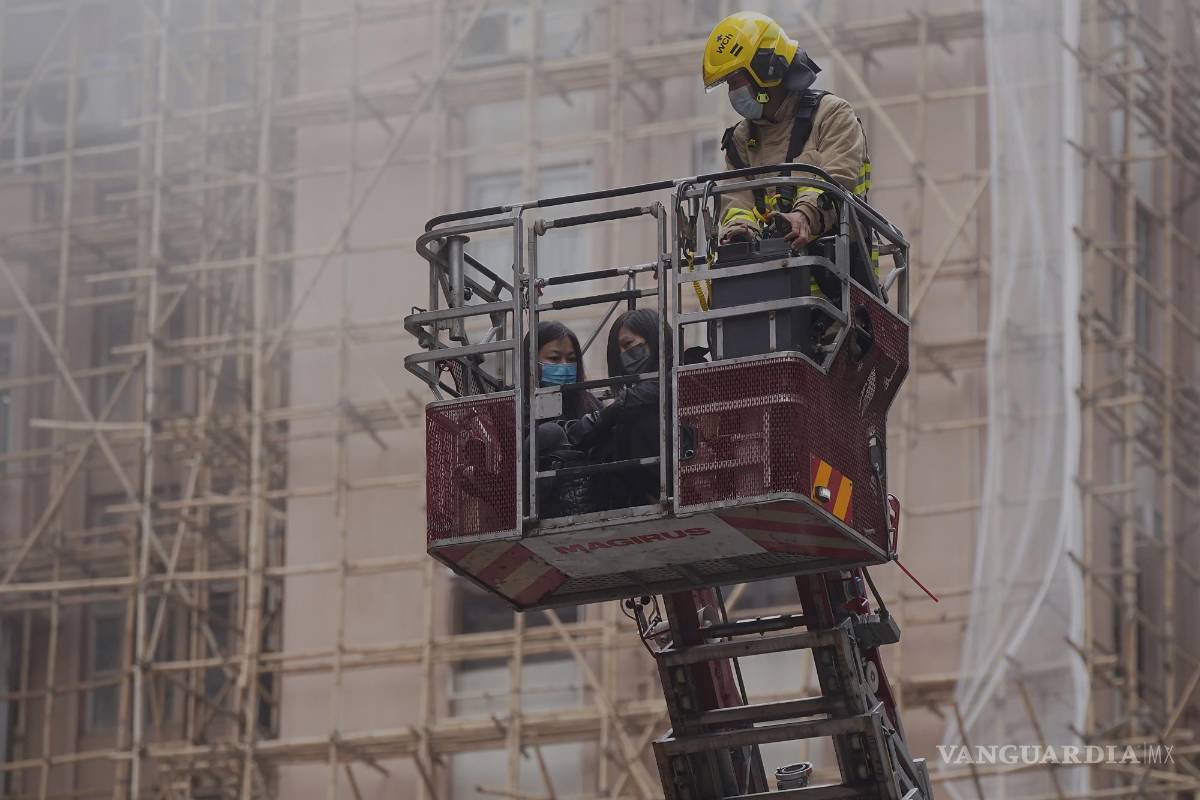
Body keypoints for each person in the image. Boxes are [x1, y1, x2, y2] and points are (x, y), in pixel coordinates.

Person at [702, 11, 870, 250]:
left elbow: (837, 180)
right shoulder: (740, 140)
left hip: (835, 276)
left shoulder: (831, 114)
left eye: (735, 80)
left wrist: (803, 217)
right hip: (768, 282)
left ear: (765, 68)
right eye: (728, 84)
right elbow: (736, 201)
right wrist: (740, 232)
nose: (732, 93)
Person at [566, 308, 667, 509]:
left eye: (628, 344)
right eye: (617, 351)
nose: (623, 355)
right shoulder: (633, 397)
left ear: (654, 338)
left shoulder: (676, 377)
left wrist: (605, 416)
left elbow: (656, 390)